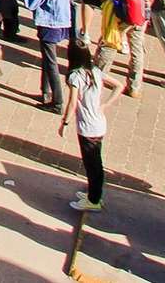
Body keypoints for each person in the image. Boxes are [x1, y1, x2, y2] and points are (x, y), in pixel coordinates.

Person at [61, 39, 115, 212]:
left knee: (92, 165)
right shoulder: (96, 72)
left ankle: (94, 200)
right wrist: (105, 105)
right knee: (95, 162)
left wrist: (65, 122)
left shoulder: (76, 77)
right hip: (99, 122)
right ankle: (94, 194)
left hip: (87, 127)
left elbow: (72, 103)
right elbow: (119, 85)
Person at [21, 0, 73, 110]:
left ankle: (57, 102)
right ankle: (46, 92)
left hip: (49, 24)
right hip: (63, 21)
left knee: (51, 62)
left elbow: (31, 3)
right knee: (47, 59)